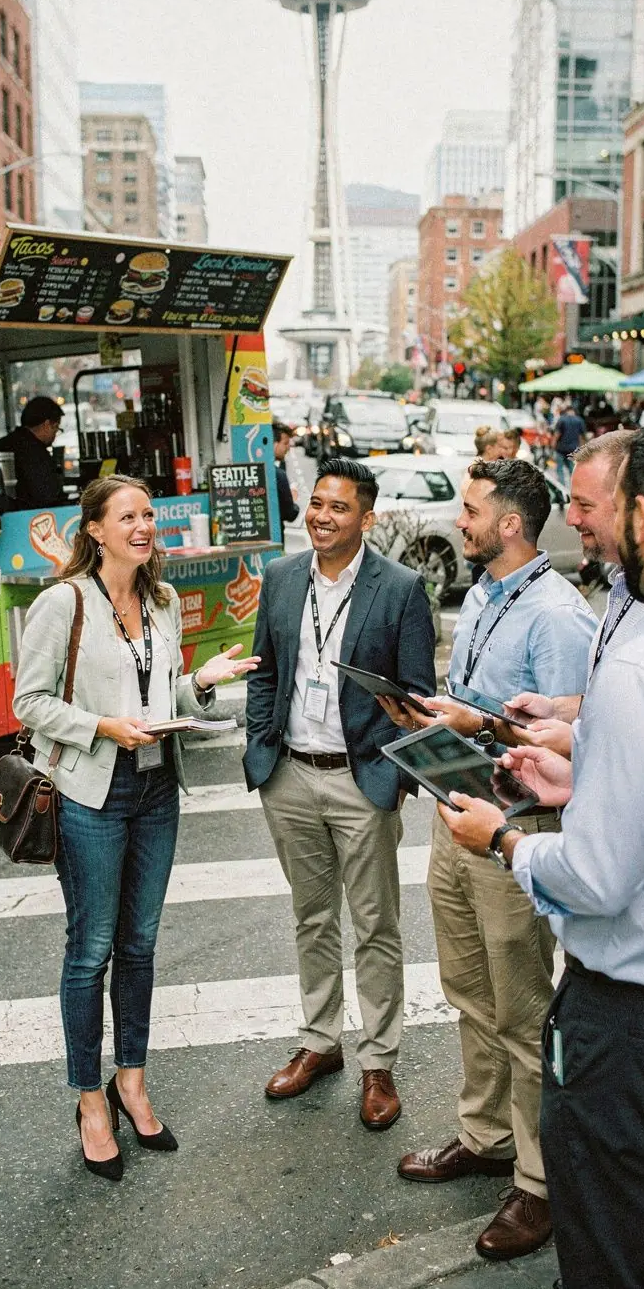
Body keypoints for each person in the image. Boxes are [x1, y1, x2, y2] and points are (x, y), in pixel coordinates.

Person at [439, 417, 644, 1289]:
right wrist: (586, 776)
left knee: (617, 1256)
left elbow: (595, 879)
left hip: (638, 1029)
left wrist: (506, 840)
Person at [13, 474, 259, 1182]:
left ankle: (132, 1079)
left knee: (141, 945)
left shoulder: (162, 599)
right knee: (91, 949)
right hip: (92, 789)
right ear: (95, 529)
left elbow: (162, 696)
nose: (145, 525)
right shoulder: (64, 604)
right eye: (129, 516)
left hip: (156, 786)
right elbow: (29, 702)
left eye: (149, 514)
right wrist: (99, 727)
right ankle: (90, 1099)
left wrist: (201, 682)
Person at [387, 459, 596, 1263]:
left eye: (471, 509)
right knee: (467, 988)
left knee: (521, 1006)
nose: (461, 520)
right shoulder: (480, 594)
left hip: (514, 828)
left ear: (511, 524)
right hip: (457, 813)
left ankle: (540, 1184)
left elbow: (567, 743)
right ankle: (485, 1134)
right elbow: (483, 705)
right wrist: (444, 715)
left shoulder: (557, 616)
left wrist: (477, 728)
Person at [243, 458, 436, 1129]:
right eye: (316, 503)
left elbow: (414, 694)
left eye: (339, 507)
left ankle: (378, 1059)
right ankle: (319, 1042)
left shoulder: (402, 588)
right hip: (290, 773)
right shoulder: (280, 577)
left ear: (368, 517)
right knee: (311, 917)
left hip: (363, 780)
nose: (321, 516)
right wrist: (258, 747)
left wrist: (397, 778)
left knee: (376, 926)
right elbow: (264, 670)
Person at [507, 429, 644, 758]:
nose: (571, 518)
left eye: (584, 505)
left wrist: (576, 745)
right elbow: (614, 706)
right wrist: (557, 710)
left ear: (634, 508)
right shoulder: (624, 586)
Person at [0, 395, 65, 510]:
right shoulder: (37, 454)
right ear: (46, 425)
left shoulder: (1, 444)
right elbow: (48, 498)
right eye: (56, 428)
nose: (56, 433)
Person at [272, 420, 300, 530]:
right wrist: (291, 499)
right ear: (274, 444)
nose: (288, 448)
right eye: (285, 443)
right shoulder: (278, 474)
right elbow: (289, 513)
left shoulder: (281, 465)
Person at [551, 402, 586, 484]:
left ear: (566, 411)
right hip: (573, 450)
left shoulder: (562, 419)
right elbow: (582, 437)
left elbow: (557, 435)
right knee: (572, 469)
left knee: (560, 469)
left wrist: (553, 445)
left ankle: (562, 487)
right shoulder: (579, 420)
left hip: (561, 449)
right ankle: (573, 487)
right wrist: (582, 449)